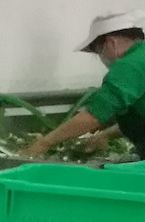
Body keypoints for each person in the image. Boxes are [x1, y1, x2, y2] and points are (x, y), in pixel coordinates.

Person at [23, 11, 145, 157]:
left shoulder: (128, 66)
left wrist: (44, 143)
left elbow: (93, 116)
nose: (101, 58)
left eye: (99, 51)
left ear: (111, 43)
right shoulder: (140, 58)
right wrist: (105, 135)